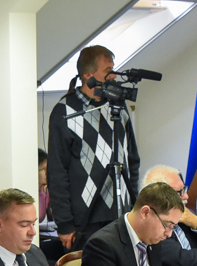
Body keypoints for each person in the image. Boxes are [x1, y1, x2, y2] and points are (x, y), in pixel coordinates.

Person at [47, 45, 139, 252]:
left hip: (123, 213)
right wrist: (65, 223)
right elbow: (57, 171)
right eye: (108, 71)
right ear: (88, 75)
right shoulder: (65, 111)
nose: (114, 76)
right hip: (86, 218)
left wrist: (135, 205)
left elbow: (132, 159)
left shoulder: (119, 106)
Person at [79, 182, 191, 266]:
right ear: (145, 212)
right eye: (167, 225)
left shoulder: (153, 239)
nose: (169, 233)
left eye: (173, 227)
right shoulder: (102, 244)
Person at [37, 148, 64, 263]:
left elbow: (56, 215)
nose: (47, 173)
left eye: (48, 169)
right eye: (42, 169)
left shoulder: (46, 191)